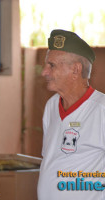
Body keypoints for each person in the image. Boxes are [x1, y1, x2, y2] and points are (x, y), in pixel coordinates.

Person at [37, 29, 105, 200]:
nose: (44, 72)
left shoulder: (101, 110)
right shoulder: (51, 106)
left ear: (75, 70)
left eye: (51, 65)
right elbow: (50, 159)